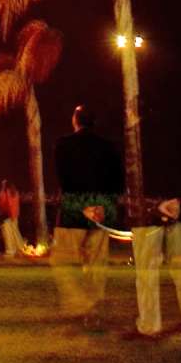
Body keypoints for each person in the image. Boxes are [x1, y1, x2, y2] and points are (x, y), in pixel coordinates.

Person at [51, 105, 121, 324]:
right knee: (97, 263)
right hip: (101, 208)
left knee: (63, 260)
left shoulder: (63, 145)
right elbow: (117, 181)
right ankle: (94, 307)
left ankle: (81, 304)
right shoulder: (108, 147)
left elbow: (62, 177)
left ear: (75, 120)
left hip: (74, 207)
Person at [133, 196, 181, 337]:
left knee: (147, 275)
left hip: (147, 218)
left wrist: (154, 207)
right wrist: (178, 203)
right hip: (176, 213)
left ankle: (150, 325)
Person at [0, 178, 26, 256]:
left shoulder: (6, 192)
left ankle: (10, 250)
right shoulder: (16, 193)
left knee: (8, 234)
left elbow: (1, 200)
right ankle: (20, 249)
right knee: (16, 233)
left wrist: (2, 187)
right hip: (14, 215)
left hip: (7, 216)